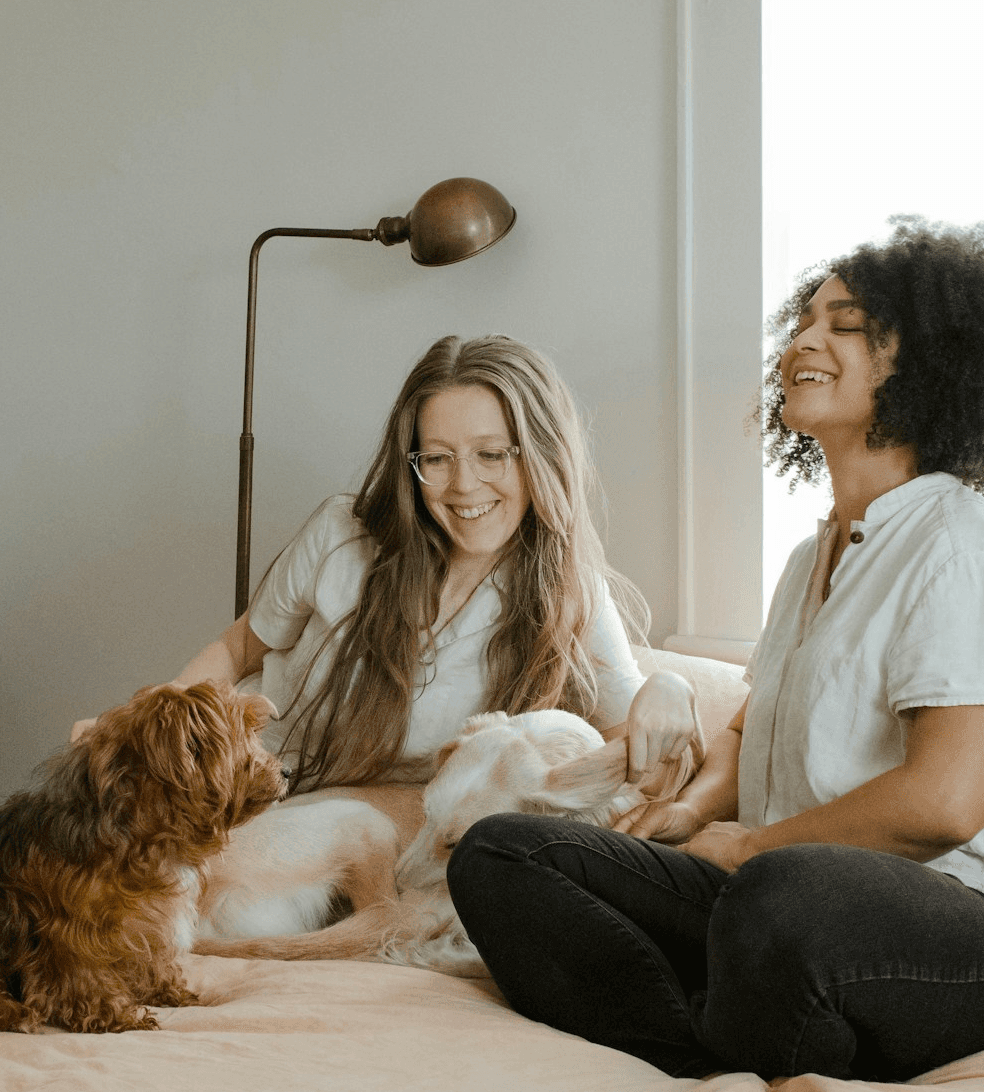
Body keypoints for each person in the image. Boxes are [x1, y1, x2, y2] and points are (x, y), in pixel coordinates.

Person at [447, 217, 984, 1084]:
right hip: (790, 896)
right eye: (803, 321)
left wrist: (751, 849)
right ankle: (702, 1047)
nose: (803, 340)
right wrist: (691, 814)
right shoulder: (814, 557)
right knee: (503, 855)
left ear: (929, 362)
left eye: (846, 324)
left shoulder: (962, 552)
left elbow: (945, 802)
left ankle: (736, 1014)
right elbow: (748, 727)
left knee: (777, 898)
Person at [100, 334, 701, 803]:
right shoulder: (341, 534)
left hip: (380, 831)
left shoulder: (569, 592)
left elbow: (636, 753)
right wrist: (138, 729)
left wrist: (671, 688)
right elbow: (236, 651)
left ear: (541, 456)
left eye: (492, 454)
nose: (464, 485)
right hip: (244, 793)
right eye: (436, 458)